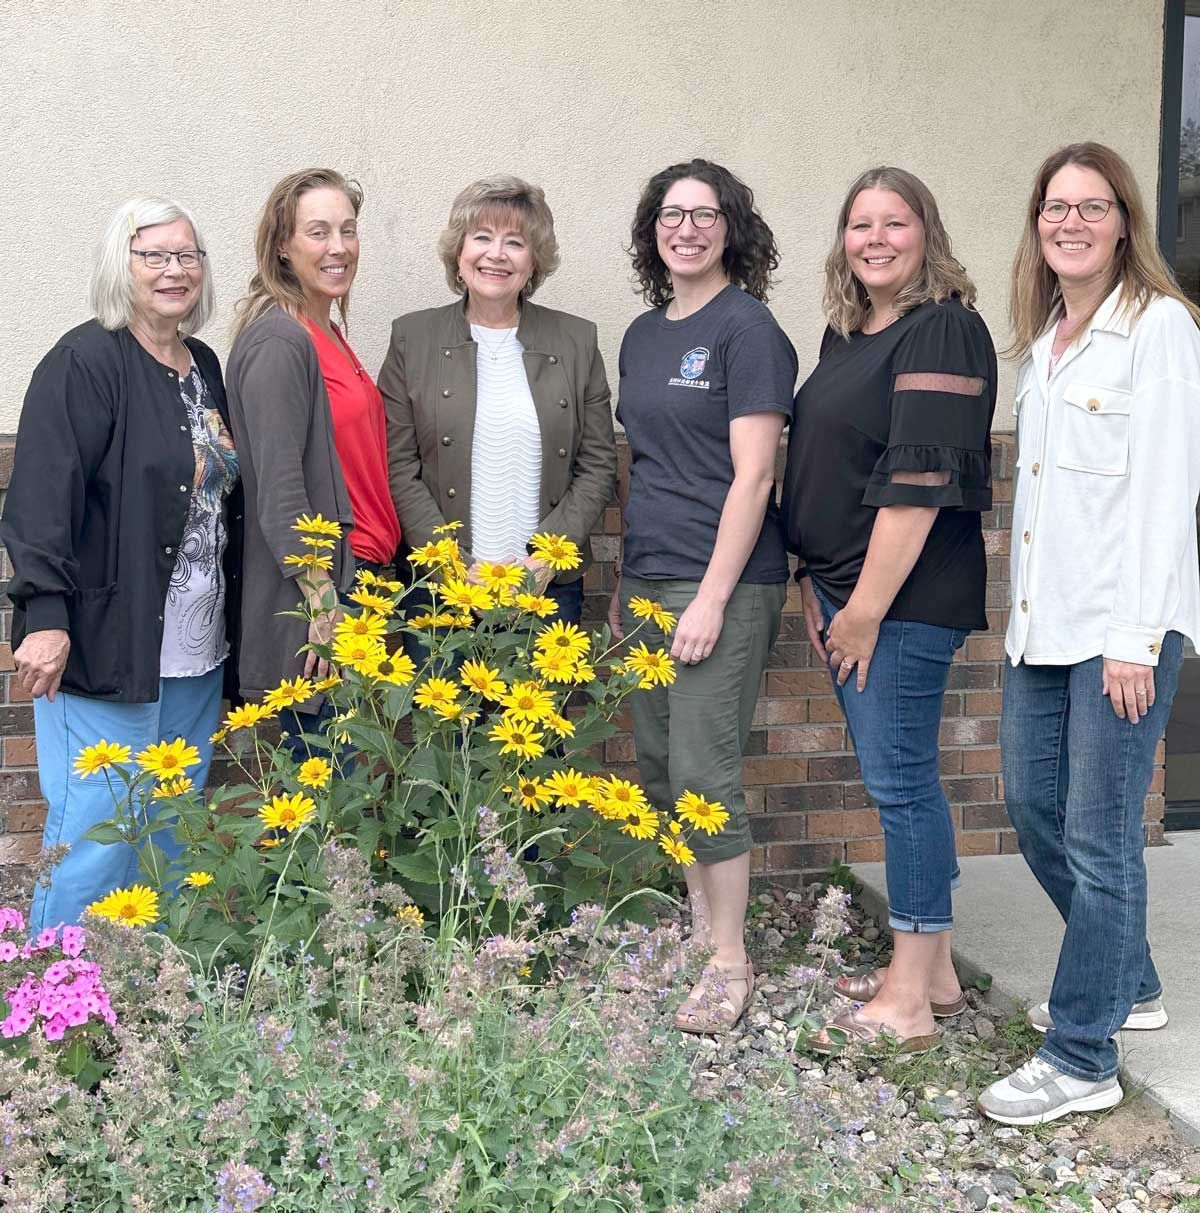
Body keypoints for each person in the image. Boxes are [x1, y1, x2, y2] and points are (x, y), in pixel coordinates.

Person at [979, 143, 1200, 1125]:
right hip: (1045, 625)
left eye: (1093, 206)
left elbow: (1164, 489)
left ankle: (1081, 1053)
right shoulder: (1048, 339)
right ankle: (1131, 977)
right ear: (1038, 224)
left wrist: (1135, 634)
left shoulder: (1160, 329)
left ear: (1124, 223)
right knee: (1034, 809)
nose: (1071, 222)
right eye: (1056, 207)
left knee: (1101, 833)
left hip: (1122, 627)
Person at [780, 167, 996, 1054]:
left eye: (894, 222)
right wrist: (813, 582)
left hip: (900, 603)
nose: (875, 238)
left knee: (900, 785)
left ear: (926, 232)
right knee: (905, 776)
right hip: (844, 590)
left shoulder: (941, 327)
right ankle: (934, 971)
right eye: (860, 224)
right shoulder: (851, 334)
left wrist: (863, 608)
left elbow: (916, 485)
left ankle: (906, 1000)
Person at [0, 195, 241, 930]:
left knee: (166, 836)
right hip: (109, 649)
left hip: (195, 656)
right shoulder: (84, 362)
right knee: (97, 841)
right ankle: (56, 1009)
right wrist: (43, 615)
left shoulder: (201, 364)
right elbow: (41, 498)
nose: (175, 270)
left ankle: (141, 1004)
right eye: (155, 256)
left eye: (188, 256)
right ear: (121, 265)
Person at [608, 158, 798, 1033]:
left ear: (733, 228)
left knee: (703, 773)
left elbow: (755, 474)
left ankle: (729, 960)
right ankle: (699, 930)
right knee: (656, 768)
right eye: (670, 214)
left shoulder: (747, 329)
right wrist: (626, 581)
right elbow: (644, 467)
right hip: (649, 576)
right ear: (654, 230)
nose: (686, 228)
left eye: (705, 214)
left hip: (718, 581)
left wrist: (712, 597)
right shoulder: (644, 336)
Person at [379, 176, 616, 626]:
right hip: (440, 588)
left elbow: (598, 463)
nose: (497, 254)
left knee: (537, 701)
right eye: (482, 237)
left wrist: (548, 558)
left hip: (544, 589)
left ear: (534, 260)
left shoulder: (576, 340)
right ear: (459, 252)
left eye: (516, 242)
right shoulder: (413, 338)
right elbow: (397, 464)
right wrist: (451, 565)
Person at [226, 168, 397, 757]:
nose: (338, 247)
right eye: (318, 232)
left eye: (348, 231)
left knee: (351, 794)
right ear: (282, 245)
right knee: (330, 799)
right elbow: (278, 488)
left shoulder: (327, 331)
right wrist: (321, 599)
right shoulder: (280, 340)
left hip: (364, 580)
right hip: (326, 594)